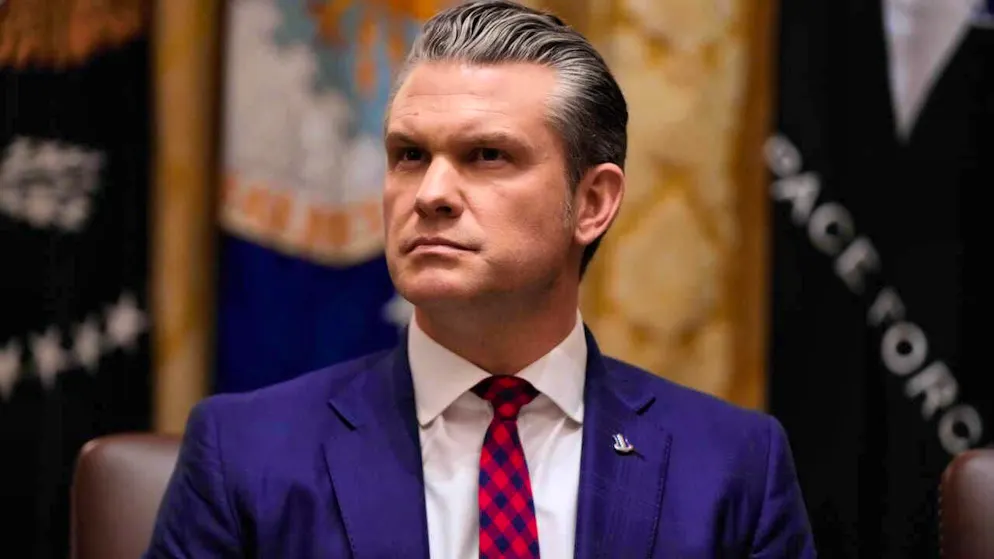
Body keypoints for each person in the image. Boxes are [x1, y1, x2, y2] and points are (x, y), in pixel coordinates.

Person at [145, 1, 816, 557]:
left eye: (487, 155)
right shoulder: (245, 456)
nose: (431, 193)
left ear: (592, 202)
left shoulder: (733, 467)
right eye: (410, 155)